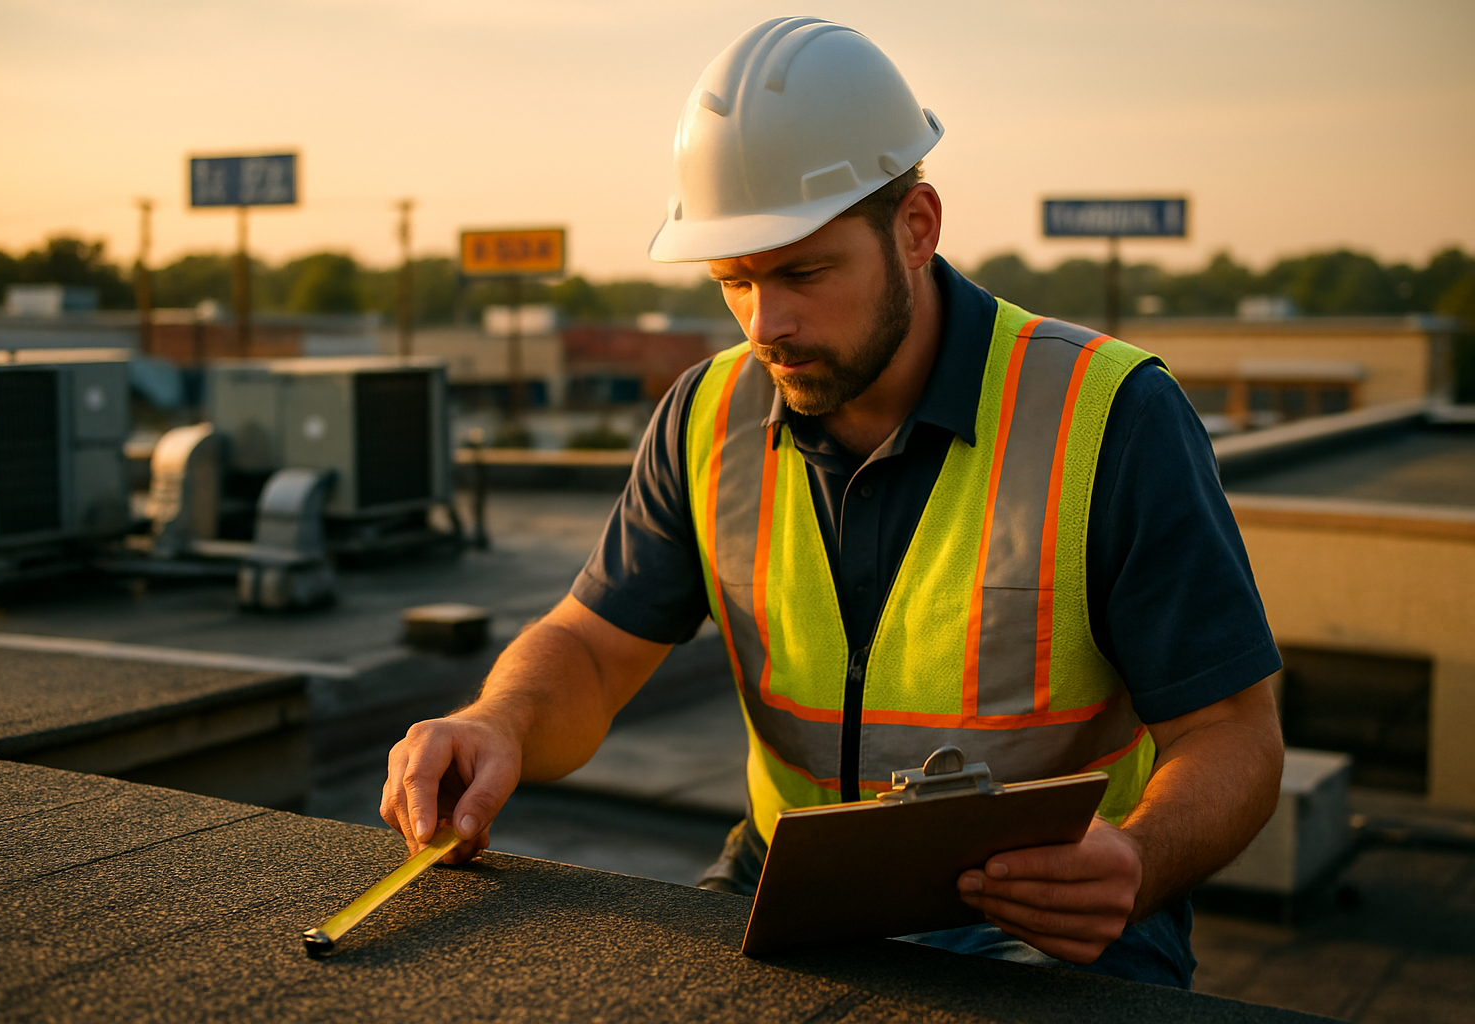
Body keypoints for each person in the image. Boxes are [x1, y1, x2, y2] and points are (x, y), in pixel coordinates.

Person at [381, 17, 1284, 988]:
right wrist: (500, 721)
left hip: (1041, 908)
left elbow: (1233, 734)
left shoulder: (1112, 416)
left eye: (805, 272)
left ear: (917, 228)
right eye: (736, 280)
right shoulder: (707, 415)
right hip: (789, 881)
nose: (768, 323)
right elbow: (595, 650)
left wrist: (1141, 859)